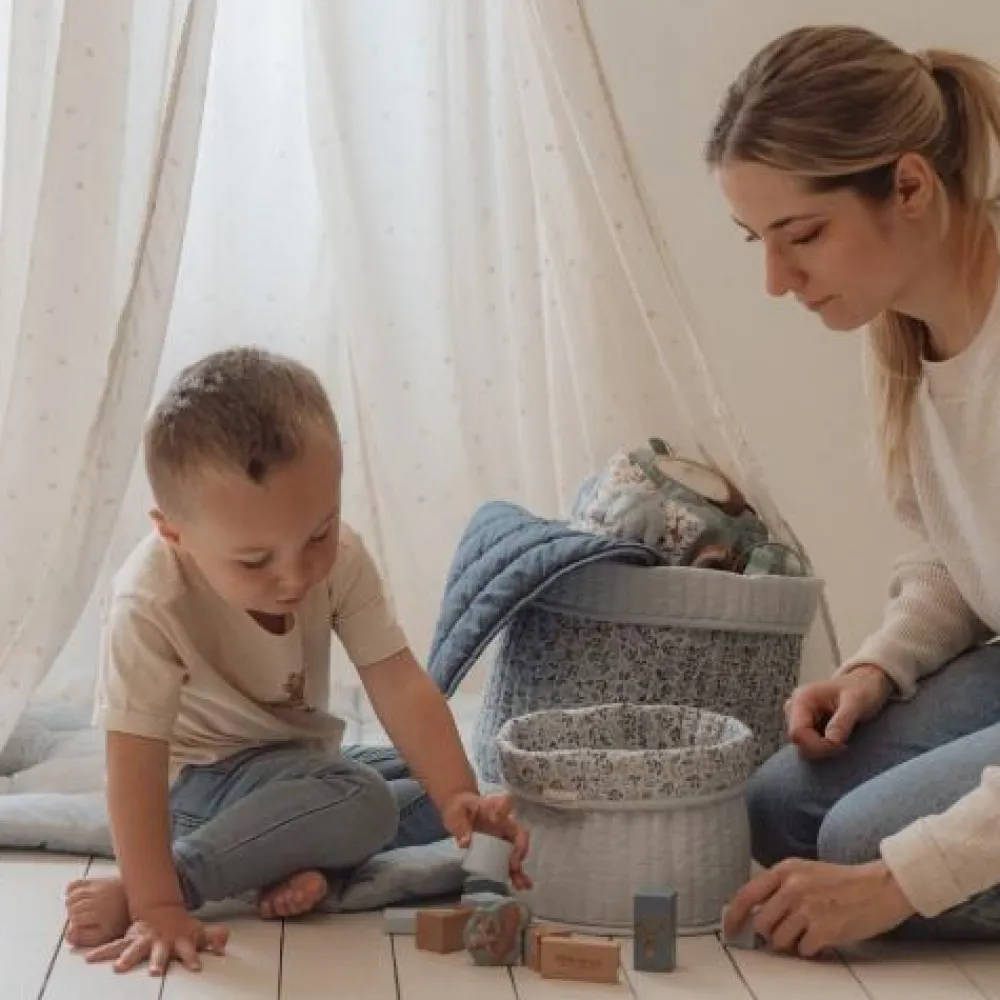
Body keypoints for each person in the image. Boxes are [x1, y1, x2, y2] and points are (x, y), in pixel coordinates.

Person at [63, 347, 530, 976]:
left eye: (318, 534)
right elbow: (132, 766)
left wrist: (459, 798)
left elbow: (397, 683)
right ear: (175, 533)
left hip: (296, 767)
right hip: (198, 785)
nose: (295, 574)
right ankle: (187, 873)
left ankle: (297, 856)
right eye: (255, 561)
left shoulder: (343, 560)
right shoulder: (150, 601)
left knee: (431, 775)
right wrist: (157, 904)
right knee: (362, 800)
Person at [705, 25, 1000, 956]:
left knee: (863, 847)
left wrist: (897, 882)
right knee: (780, 808)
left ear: (909, 187)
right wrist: (878, 668)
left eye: (802, 236)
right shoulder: (909, 338)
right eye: (759, 241)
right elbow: (959, 551)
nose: (776, 280)